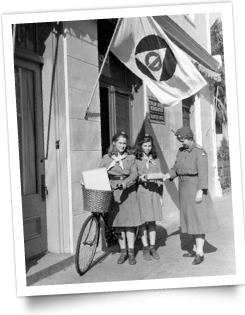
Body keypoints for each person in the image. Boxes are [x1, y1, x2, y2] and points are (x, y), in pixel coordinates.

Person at [163, 126, 219, 265]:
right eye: (179, 140)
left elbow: (203, 173)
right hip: (184, 188)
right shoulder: (181, 151)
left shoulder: (200, 152)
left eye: (182, 140)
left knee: (197, 220)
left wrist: (201, 191)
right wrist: (168, 175)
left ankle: (200, 252)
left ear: (189, 137)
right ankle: (195, 248)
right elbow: (176, 168)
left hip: (195, 188)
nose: (181, 142)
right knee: (190, 220)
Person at [100, 131, 142, 265]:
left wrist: (126, 183)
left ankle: (131, 253)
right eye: (120, 143)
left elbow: (134, 175)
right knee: (118, 225)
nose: (122, 146)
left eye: (124, 143)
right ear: (114, 143)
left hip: (128, 192)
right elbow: (99, 174)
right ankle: (123, 252)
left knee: (129, 224)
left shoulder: (131, 158)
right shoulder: (107, 158)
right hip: (114, 193)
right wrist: (87, 181)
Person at [134, 134, 164, 261]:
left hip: (154, 192)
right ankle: (145, 248)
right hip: (142, 192)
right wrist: (139, 178)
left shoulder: (156, 160)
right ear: (140, 146)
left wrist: (161, 196)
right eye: (145, 146)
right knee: (143, 222)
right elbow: (133, 176)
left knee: (152, 221)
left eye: (149, 145)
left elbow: (161, 178)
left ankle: (152, 247)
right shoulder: (136, 160)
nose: (147, 148)